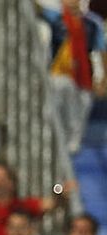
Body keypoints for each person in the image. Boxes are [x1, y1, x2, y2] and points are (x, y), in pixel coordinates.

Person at [36, 0, 107, 156]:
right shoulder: (54, 19)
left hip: (84, 76)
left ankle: (72, 147)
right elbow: (38, 9)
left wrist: (102, 79)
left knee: (80, 113)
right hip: (59, 74)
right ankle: (52, 140)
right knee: (58, 98)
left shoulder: (92, 23)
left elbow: (99, 50)